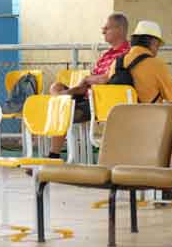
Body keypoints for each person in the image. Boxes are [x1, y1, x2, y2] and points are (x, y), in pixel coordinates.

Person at [47, 12, 130, 158]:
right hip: (87, 96)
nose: (102, 30)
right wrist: (84, 83)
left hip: (102, 102)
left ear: (119, 30)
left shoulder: (127, 53)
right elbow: (94, 78)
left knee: (61, 108)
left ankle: (53, 156)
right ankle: (61, 100)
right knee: (56, 87)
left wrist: (87, 80)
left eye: (107, 27)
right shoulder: (106, 55)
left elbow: (108, 78)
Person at [109, 20, 172, 107]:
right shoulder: (157, 65)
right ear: (154, 42)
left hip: (118, 118)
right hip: (149, 118)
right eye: (158, 46)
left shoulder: (116, 63)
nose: (157, 50)